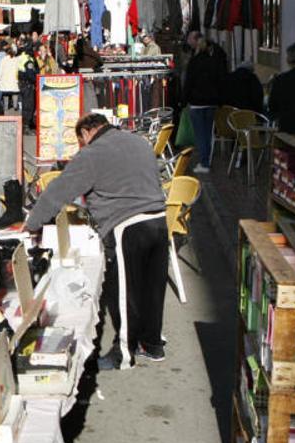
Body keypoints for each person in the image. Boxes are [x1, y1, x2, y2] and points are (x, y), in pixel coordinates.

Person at [24, 113, 168, 368]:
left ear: (87, 133)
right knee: (152, 288)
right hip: (159, 218)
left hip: (127, 225)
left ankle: (124, 353)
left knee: (125, 293)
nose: (82, 147)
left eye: (81, 141)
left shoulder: (93, 152)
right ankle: (152, 344)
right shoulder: (139, 142)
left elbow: (60, 189)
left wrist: (32, 224)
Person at [183, 33, 229, 172]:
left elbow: (188, 83)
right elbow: (221, 81)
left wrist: (184, 100)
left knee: (200, 134)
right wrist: (220, 100)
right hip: (211, 103)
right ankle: (206, 161)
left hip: (197, 103)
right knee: (208, 133)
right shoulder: (214, 62)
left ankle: (204, 163)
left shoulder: (194, 62)